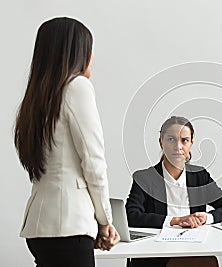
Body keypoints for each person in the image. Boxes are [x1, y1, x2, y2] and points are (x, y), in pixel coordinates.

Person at [14, 17, 120, 267]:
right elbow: (94, 162)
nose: (92, 57)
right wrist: (104, 221)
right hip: (69, 226)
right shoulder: (77, 87)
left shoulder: (37, 97)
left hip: (40, 227)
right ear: (76, 53)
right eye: (89, 50)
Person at [126, 116, 222, 267]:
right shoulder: (144, 177)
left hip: (194, 249)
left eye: (184, 140)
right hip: (154, 253)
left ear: (191, 144)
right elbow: (131, 215)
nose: (178, 146)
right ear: (161, 142)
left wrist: (206, 218)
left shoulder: (200, 176)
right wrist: (175, 221)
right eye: (171, 139)